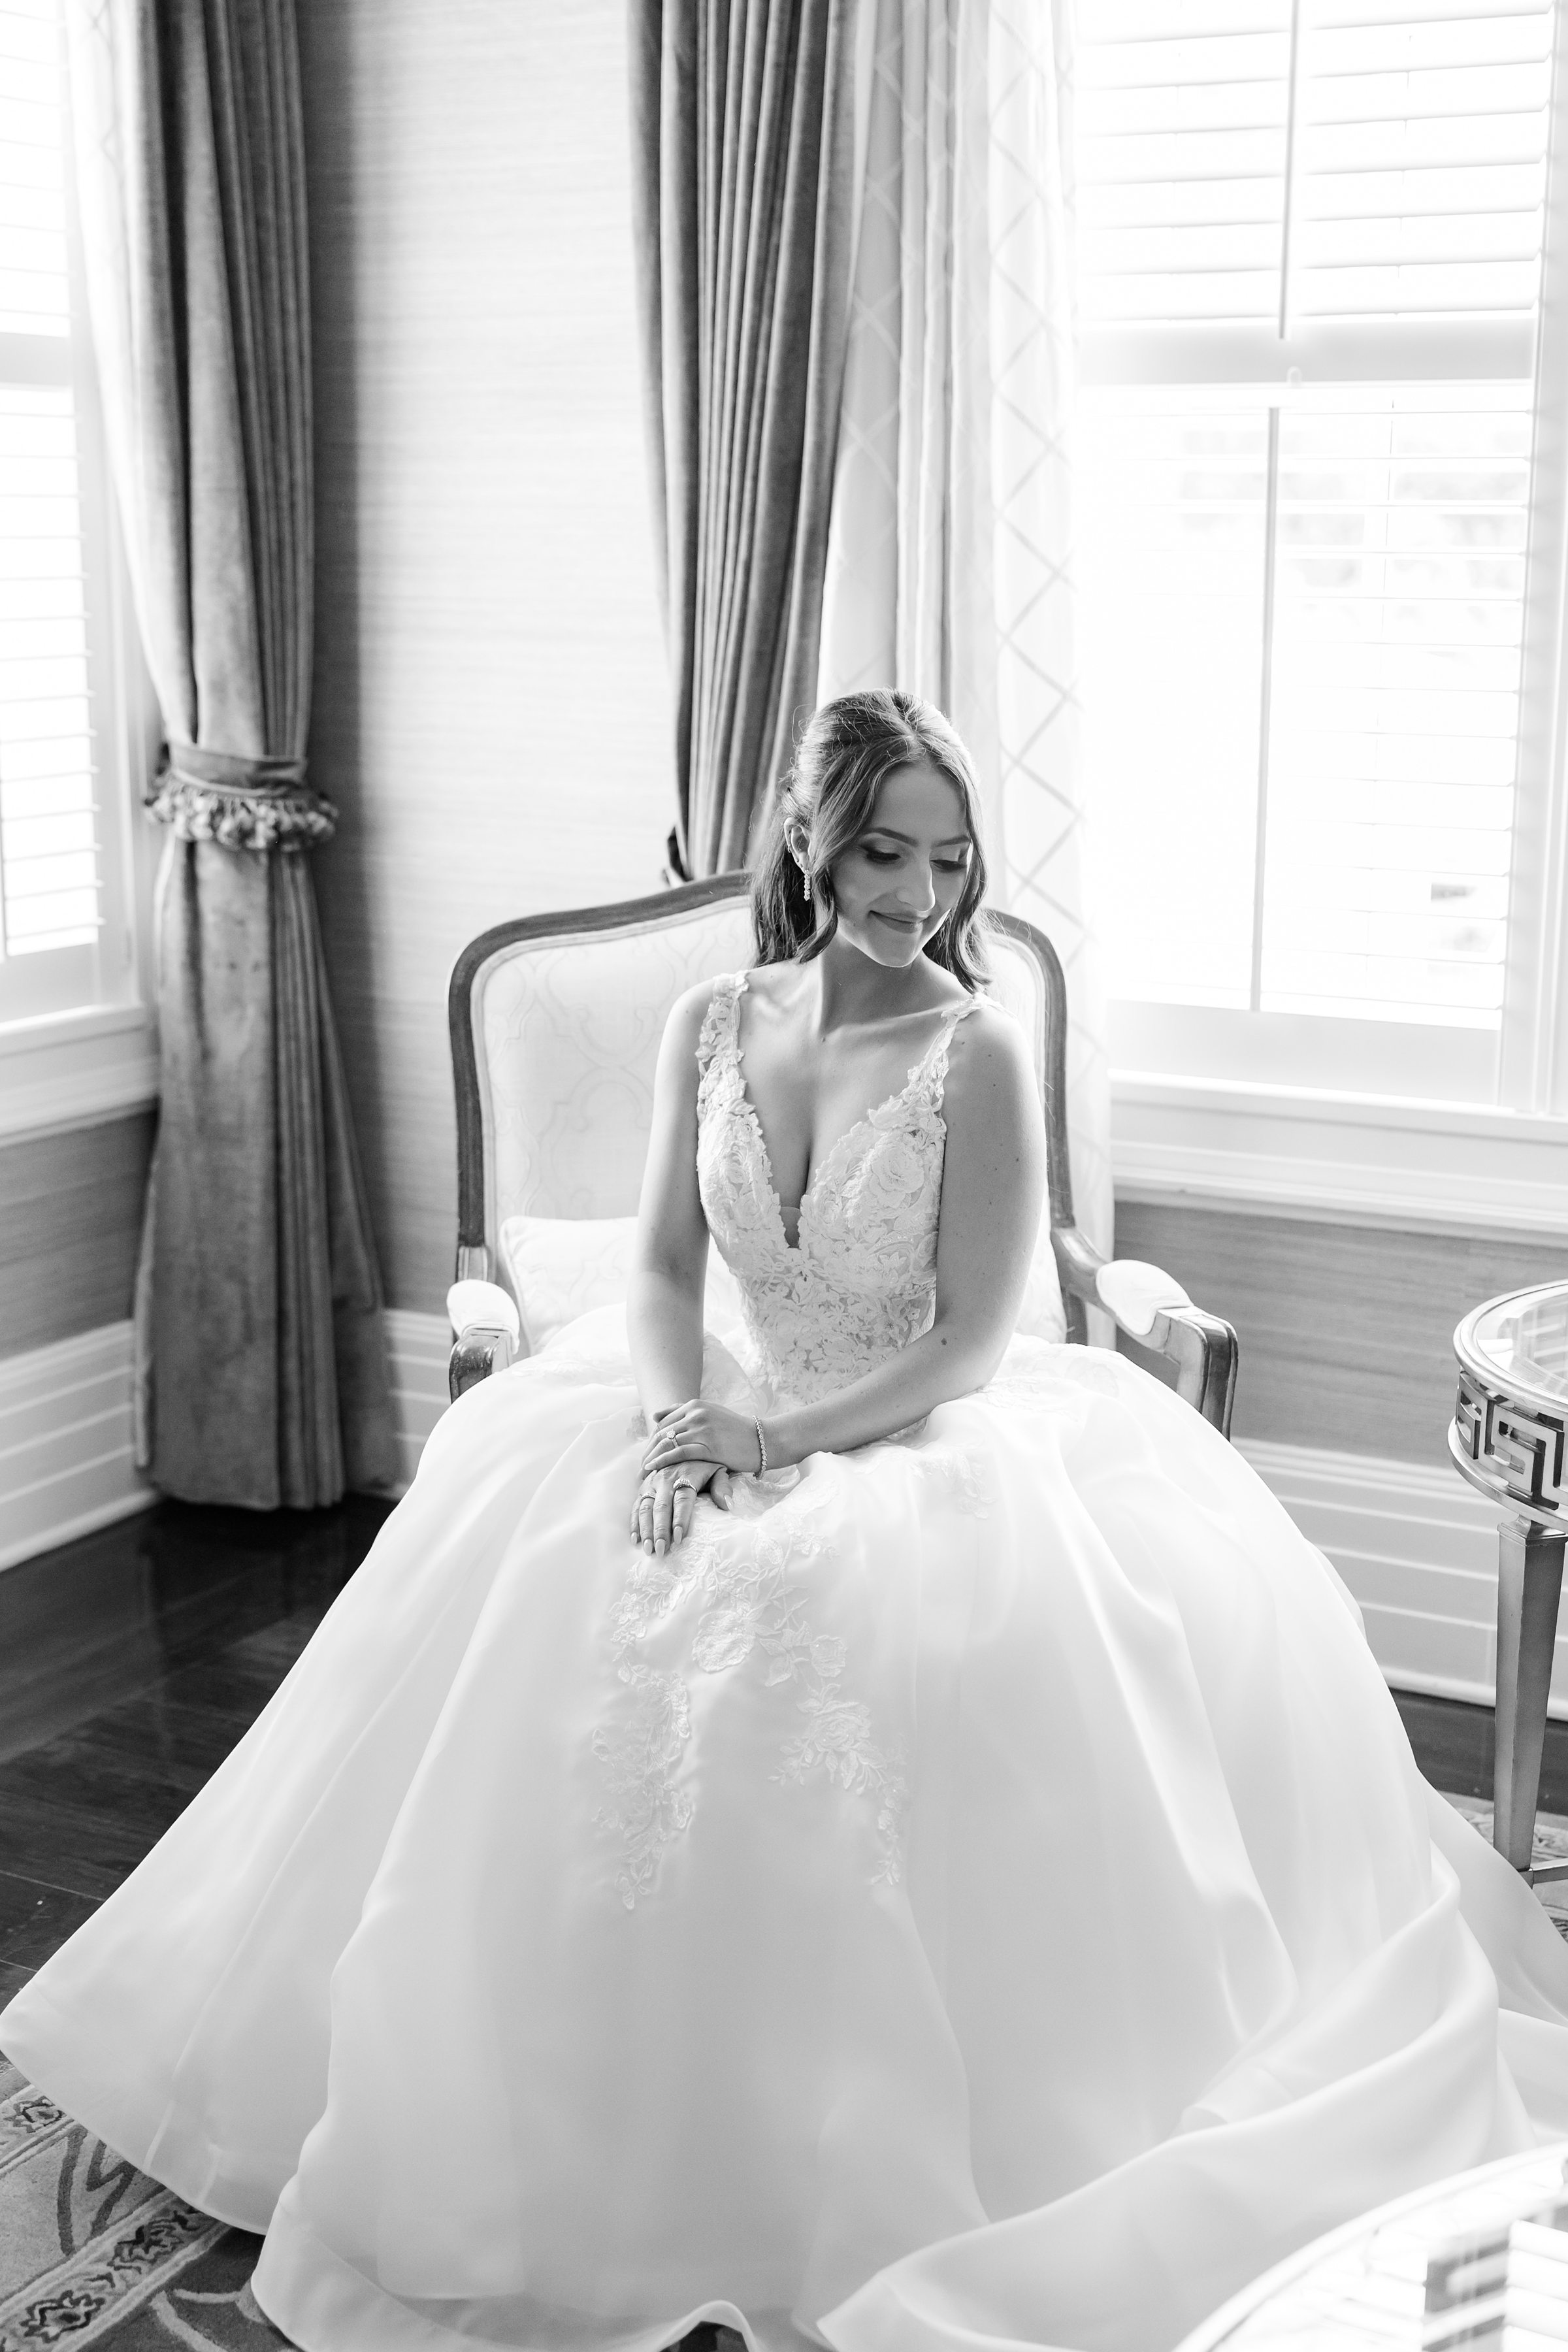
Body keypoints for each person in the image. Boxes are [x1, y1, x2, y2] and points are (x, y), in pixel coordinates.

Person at [5, 689, 1568, 2352]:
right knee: (553, 1570)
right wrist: (681, 1425)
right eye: (886, 849)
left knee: (838, 1625)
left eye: (950, 860)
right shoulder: (713, 1021)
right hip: (719, 1402)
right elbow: (668, 1266)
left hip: (923, 1432)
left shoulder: (982, 1045)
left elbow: (974, 1339)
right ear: (809, 836)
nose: (918, 891)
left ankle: (813, 2144)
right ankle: (549, 2103)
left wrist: (779, 1434)